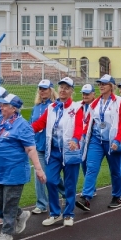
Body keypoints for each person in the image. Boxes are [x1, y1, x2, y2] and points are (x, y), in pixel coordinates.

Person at [30, 77, 84, 227]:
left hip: (70, 151)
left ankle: (68, 214)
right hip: (53, 151)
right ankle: (54, 213)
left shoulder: (77, 108)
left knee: (70, 183)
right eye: (61, 87)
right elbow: (40, 123)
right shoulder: (52, 107)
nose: (63, 90)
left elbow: (79, 127)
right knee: (51, 181)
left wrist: (75, 139)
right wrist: (24, 131)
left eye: (67, 88)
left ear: (72, 91)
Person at [0, 94, 45, 240]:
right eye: (1, 104)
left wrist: (39, 169)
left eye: (4, 105)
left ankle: (7, 232)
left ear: (13, 108)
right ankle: (20, 214)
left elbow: (31, 149)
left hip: (14, 171)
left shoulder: (23, 126)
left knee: (9, 202)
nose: (1, 107)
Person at [77, 74, 121, 211]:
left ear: (111, 86)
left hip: (112, 141)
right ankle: (86, 197)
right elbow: (89, 122)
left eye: (104, 84)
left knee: (115, 171)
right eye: (99, 84)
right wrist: (82, 136)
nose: (101, 86)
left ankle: (117, 196)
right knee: (91, 166)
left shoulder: (119, 101)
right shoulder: (95, 103)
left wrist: (117, 139)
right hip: (96, 140)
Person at [30, 80, 63, 214]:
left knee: (51, 176)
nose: (42, 91)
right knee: (39, 175)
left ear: (51, 90)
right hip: (38, 146)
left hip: (52, 146)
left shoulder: (55, 105)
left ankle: (66, 192)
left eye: (45, 89)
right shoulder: (36, 107)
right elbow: (31, 124)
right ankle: (41, 204)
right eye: (40, 89)